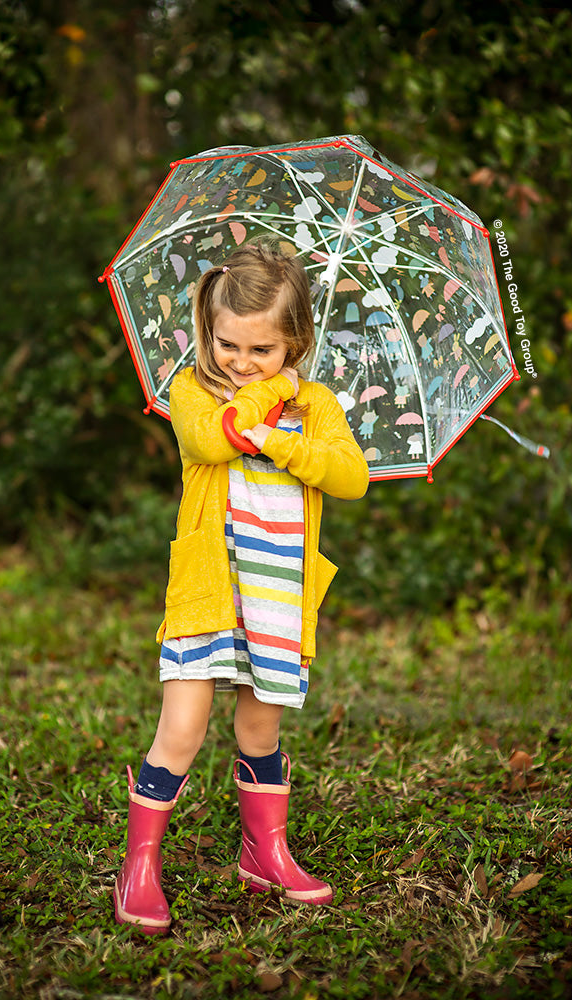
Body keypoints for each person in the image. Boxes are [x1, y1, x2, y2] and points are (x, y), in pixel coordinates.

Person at [114, 242, 369, 934]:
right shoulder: (192, 391)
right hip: (207, 590)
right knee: (183, 729)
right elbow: (216, 438)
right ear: (208, 331)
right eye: (228, 344)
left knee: (259, 728)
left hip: (276, 596)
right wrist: (270, 390)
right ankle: (140, 866)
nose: (240, 361)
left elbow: (350, 477)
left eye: (262, 350)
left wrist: (286, 431)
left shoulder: (312, 405)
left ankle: (265, 852)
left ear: (296, 343)